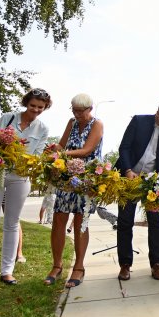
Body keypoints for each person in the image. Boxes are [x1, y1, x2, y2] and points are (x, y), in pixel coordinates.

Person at [0, 89, 51, 287]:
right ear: (26, 103)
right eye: (33, 105)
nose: (36, 110)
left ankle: (7, 271)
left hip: (20, 176)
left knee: (12, 223)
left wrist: (29, 162)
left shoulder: (42, 129)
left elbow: (38, 154)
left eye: (41, 107)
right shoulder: (8, 117)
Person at [44, 93, 104, 288]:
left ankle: (79, 267)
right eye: (74, 110)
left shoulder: (97, 124)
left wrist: (61, 153)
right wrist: (55, 148)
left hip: (86, 179)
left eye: (80, 111)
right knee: (59, 219)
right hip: (66, 176)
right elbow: (62, 143)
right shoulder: (71, 122)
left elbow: (87, 150)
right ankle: (57, 265)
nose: (76, 114)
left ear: (89, 109)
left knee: (80, 222)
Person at [117, 101, 159, 281]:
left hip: (153, 181)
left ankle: (157, 264)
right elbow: (125, 147)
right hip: (130, 176)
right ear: (158, 113)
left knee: (156, 222)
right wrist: (128, 170)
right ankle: (125, 265)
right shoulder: (139, 121)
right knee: (125, 221)